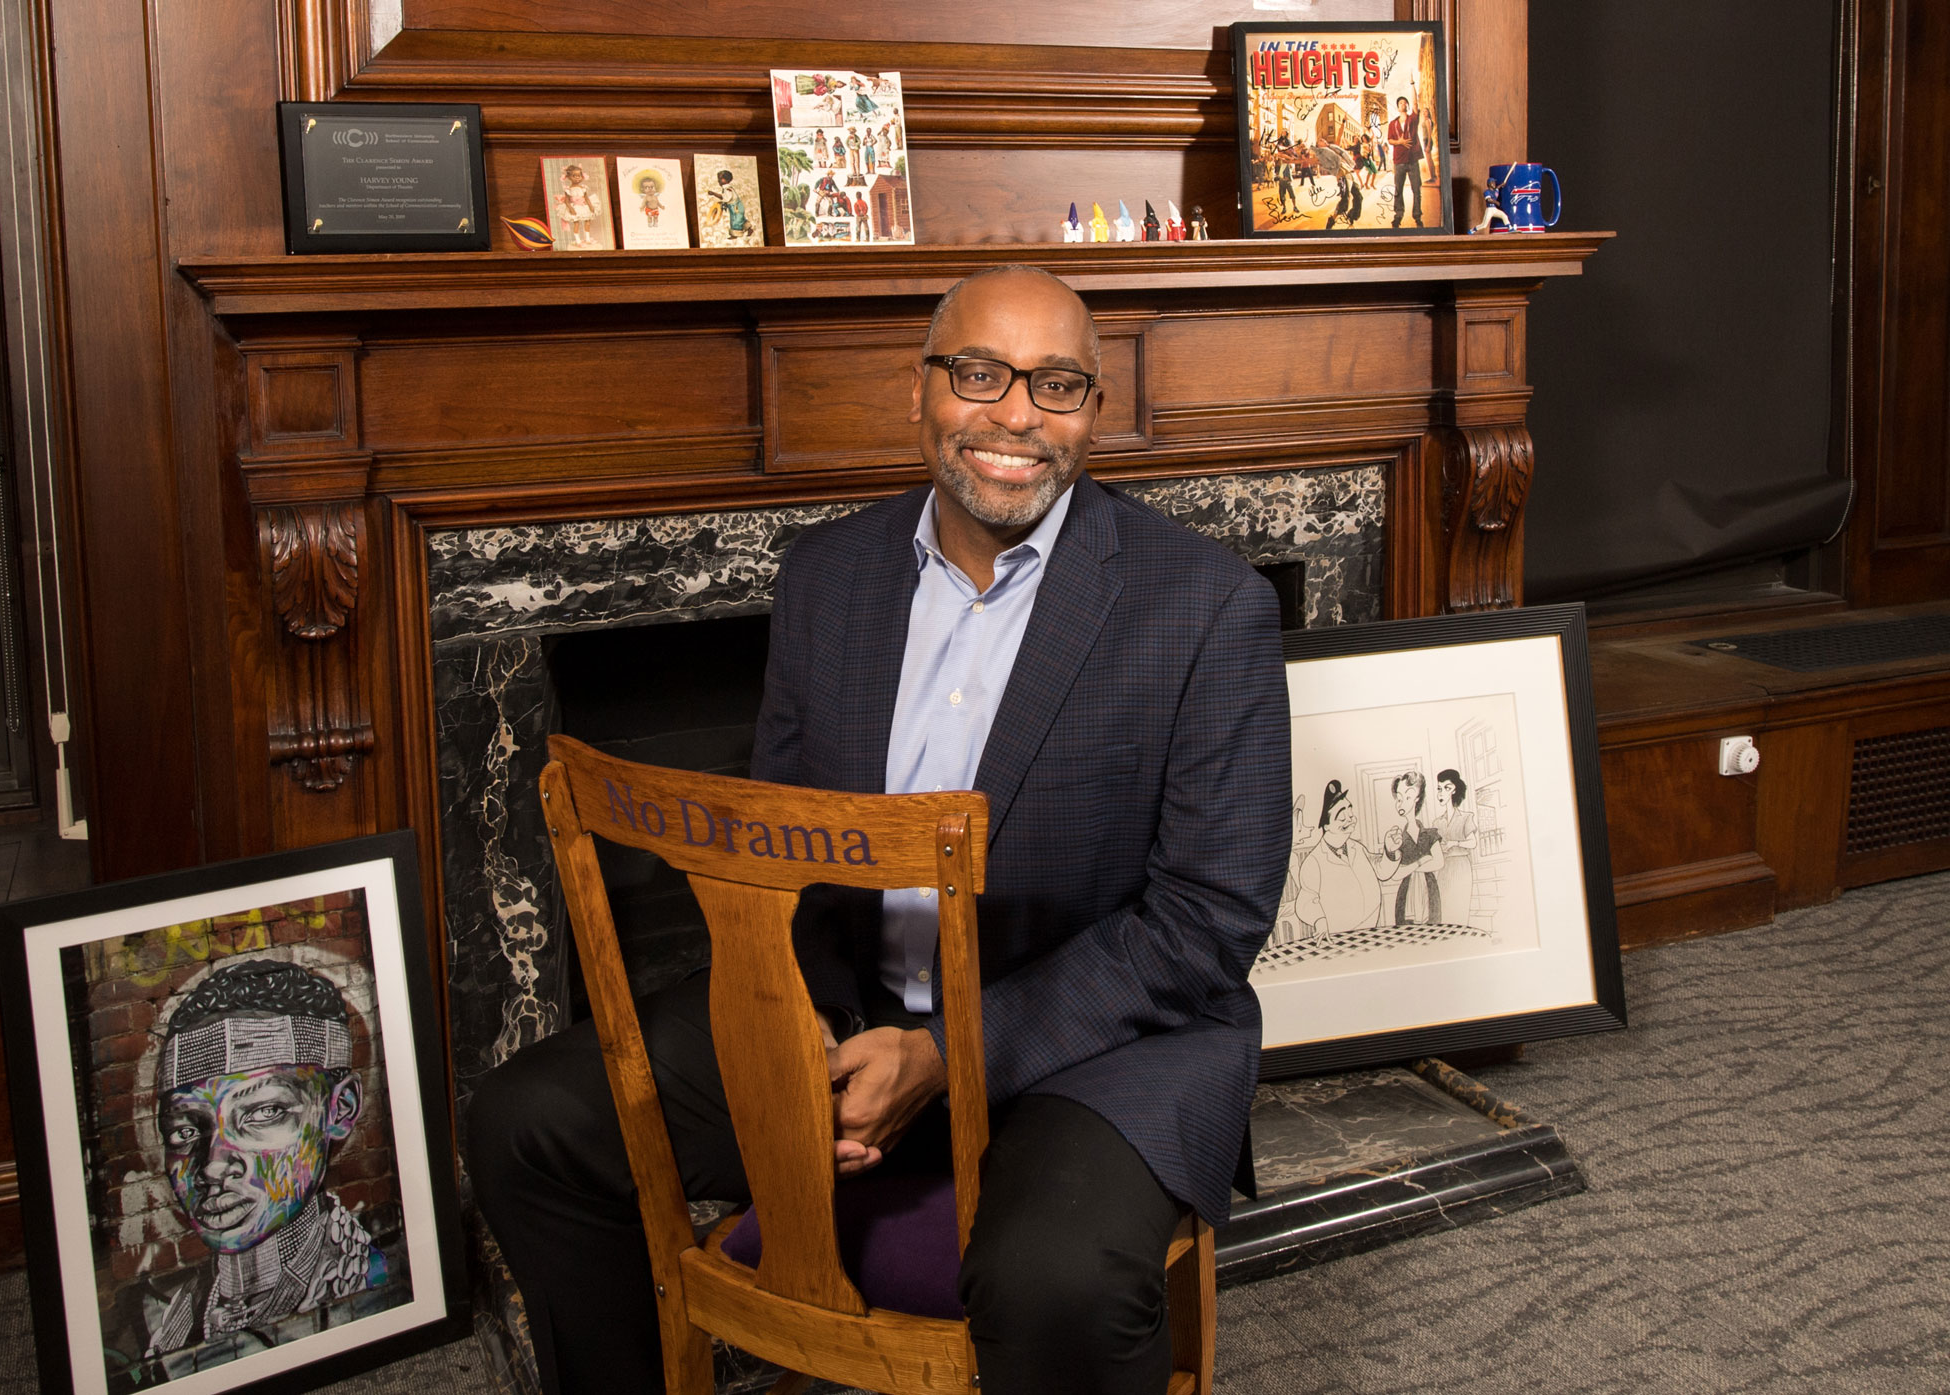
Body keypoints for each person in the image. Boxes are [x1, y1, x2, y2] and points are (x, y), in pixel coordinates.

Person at [467, 264, 1290, 1395]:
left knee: (1056, 1283)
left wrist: (950, 1055)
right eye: (979, 373)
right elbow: (779, 845)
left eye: (1055, 385)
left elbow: (1207, 919)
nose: (1014, 414)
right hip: (849, 1003)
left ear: (1093, 413)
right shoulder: (828, 577)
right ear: (919, 392)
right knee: (530, 1123)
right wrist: (791, 1029)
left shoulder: (1204, 608)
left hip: (1096, 1048)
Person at [109, 958, 401, 1387]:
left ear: (340, 1109)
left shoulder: (379, 1277)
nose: (211, 1164)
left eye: (264, 1112)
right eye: (186, 1130)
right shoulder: (162, 1315)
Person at [1293, 780, 1393, 939]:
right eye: (1342, 817)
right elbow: (1305, 902)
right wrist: (1320, 921)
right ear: (1326, 825)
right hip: (1340, 938)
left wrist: (1390, 851)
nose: (1351, 819)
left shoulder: (1357, 847)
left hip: (1370, 930)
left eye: (1350, 812)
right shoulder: (1314, 862)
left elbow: (1381, 870)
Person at [1383, 768, 1444, 923]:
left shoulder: (1430, 834)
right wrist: (1421, 861)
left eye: (1408, 796)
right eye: (1399, 798)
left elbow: (1439, 862)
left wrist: (1409, 868)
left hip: (1429, 894)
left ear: (1417, 798)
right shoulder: (1398, 839)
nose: (1401, 803)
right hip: (1407, 896)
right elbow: (1396, 873)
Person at [1432, 768, 1479, 925]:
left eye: (1446, 788)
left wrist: (1455, 843)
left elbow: (1472, 842)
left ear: (1454, 790)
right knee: (1444, 910)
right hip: (1444, 868)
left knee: (1460, 907)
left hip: (1461, 867)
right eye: (1439, 788)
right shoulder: (1437, 823)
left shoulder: (1466, 817)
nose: (1441, 793)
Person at [1387, 95, 1426, 228]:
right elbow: (1390, 140)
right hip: (1399, 161)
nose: (1403, 104)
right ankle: (1398, 216)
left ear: (1407, 106)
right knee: (1398, 190)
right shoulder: (1393, 124)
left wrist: (1412, 84)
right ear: (1398, 107)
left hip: (1413, 160)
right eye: (1400, 103)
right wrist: (1400, 142)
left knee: (1416, 190)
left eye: (1405, 102)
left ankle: (1417, 216)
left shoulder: (1412, 119)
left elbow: (1415, 103)